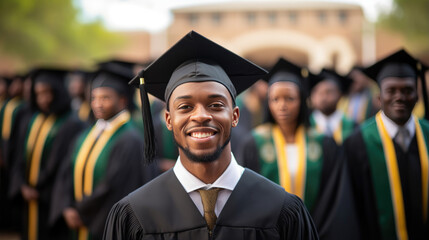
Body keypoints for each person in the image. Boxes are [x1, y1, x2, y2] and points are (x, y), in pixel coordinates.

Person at [103, 31, 318, 240]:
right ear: (168, 120)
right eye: (185, 107)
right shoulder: (135, 214)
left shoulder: (282, 210)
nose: (201, 116)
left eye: (215, 105)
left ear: (235, 116)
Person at [238, 58, 357, 239]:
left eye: (290, 98)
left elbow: (333, 199)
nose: (282, 106)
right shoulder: (253, 144)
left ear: (302, 100)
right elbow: (246, 198)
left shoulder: (323, 144)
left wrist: (310, 231)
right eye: (275, 99)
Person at [49, 66, 157, 240]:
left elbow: (114, 189)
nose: (97, 104)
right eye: (94, 98)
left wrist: (81, 211)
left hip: (102, 225)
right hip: (75, 220)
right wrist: (66, 207)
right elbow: (65, 172)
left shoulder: (130, 140)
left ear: (122, 101)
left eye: (105, 98)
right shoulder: (86, 135)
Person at [344, 49, 429, 239]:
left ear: (417, 96)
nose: (399, 97)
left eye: (407, 90)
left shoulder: (428, 134)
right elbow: (351, 210)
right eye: (391, 91)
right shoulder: (357, 143)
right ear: (379, 98)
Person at [8, 68, 87, 240]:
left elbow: (63, 166)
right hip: (27, 197)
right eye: (38, 94)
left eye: (47, 93)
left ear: (58, 92)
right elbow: (18, 156)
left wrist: (38, 189)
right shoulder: (32, 119)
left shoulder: (71, 123)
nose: (43, 99)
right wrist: (21, 184)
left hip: (50, 199)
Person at [309, 69, 356, 145]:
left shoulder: (353, 127)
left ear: (340, 95)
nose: (323, 97)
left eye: (329, 92)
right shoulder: (306, 126)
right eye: (319, 93)